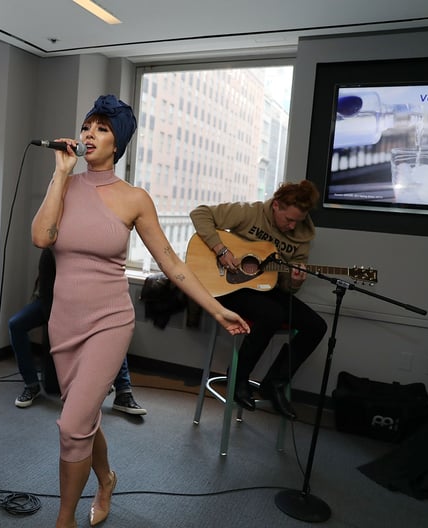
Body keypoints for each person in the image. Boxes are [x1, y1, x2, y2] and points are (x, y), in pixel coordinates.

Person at [31, 94, 249, 528]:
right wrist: (59, 175)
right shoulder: (66, 185)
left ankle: (64, 519)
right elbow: (41, 237)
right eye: (88, 126)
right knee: (84, 414)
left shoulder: (135, 199)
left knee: (72, 424)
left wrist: (216, 309)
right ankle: (106, 478)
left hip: (109, 321)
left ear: (119, 144)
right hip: (64, 320)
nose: (90, 134)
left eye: (103, 128)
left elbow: (172, 262)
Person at [189, 180, 328, 421]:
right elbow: (200, 213)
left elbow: (285, 288)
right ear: (276, 206)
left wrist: (295, 281)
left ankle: (274, 384)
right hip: (229, 286)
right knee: (272, 314)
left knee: (317, 326)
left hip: (266, 289)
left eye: (298, 221)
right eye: (289, 220)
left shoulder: (302, 237)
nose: (293, 226)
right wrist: (222, 250)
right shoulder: (250, 212)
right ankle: (238, 378)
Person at [9, 249, 147, 415]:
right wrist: (58, 322)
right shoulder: (50, 247)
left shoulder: (88, 248)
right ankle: (31, 384)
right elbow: (46, 290)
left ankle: (123, 392)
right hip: (48, 302)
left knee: (112, 327)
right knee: (15, 325)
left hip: (80, 304)